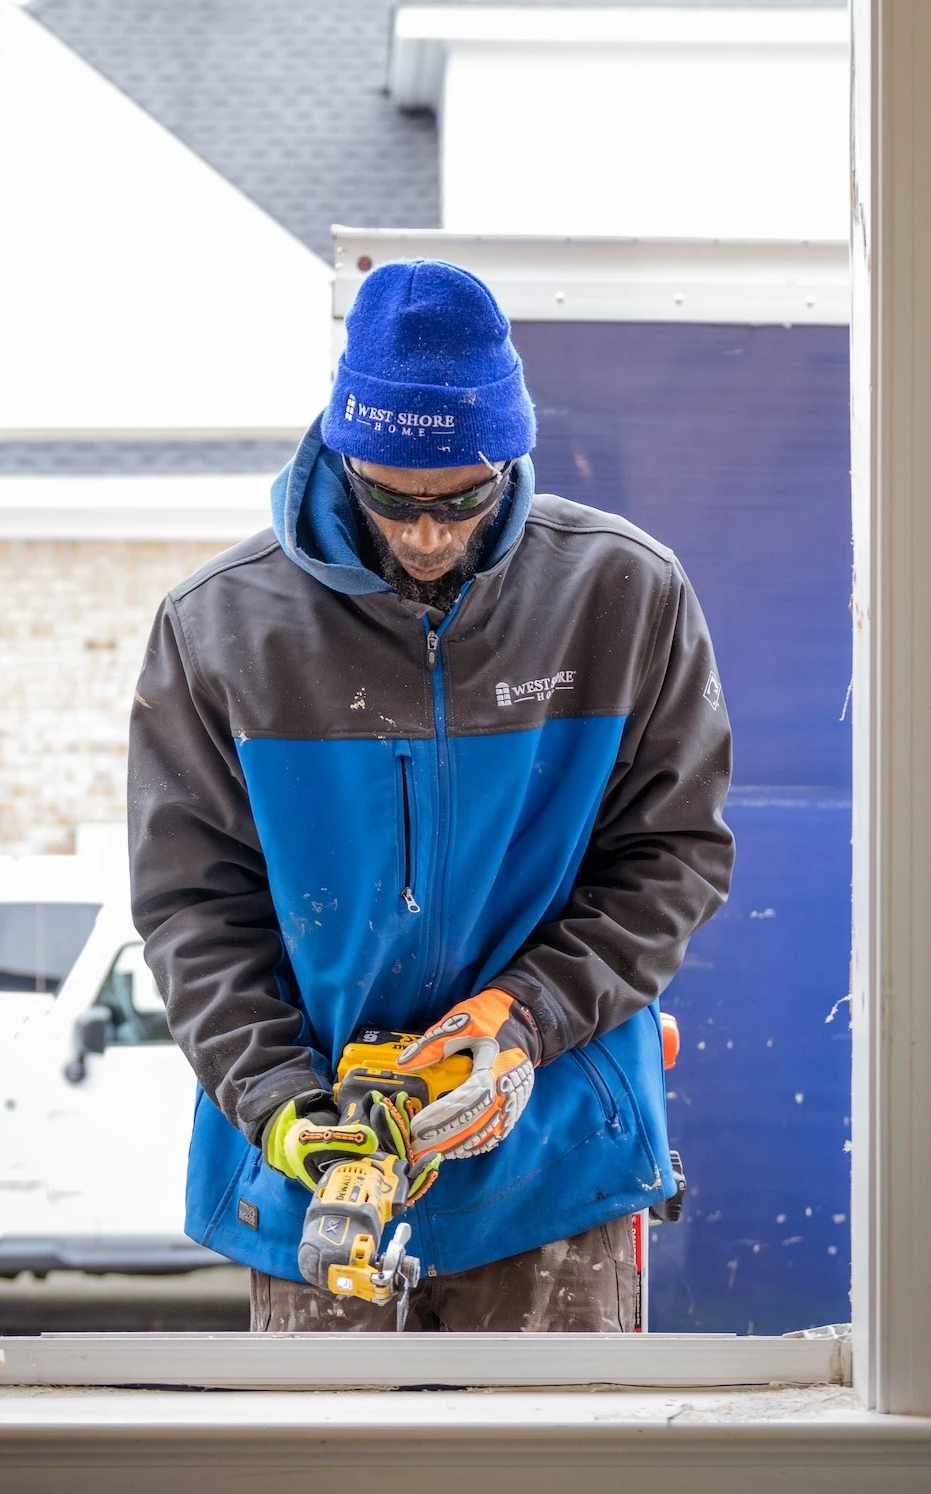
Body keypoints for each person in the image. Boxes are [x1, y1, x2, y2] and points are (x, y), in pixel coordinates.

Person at [128, 260, 734, 1331]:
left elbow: (673, 857)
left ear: (512, 452)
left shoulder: (624, 594)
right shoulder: (221, 630)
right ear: (340, 448)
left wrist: (522, 1017)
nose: (424, 536)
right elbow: (193, 912)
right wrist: (283, 1109)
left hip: (553, 1167)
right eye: (391, 500)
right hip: (319, 1187)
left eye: (461, 499)